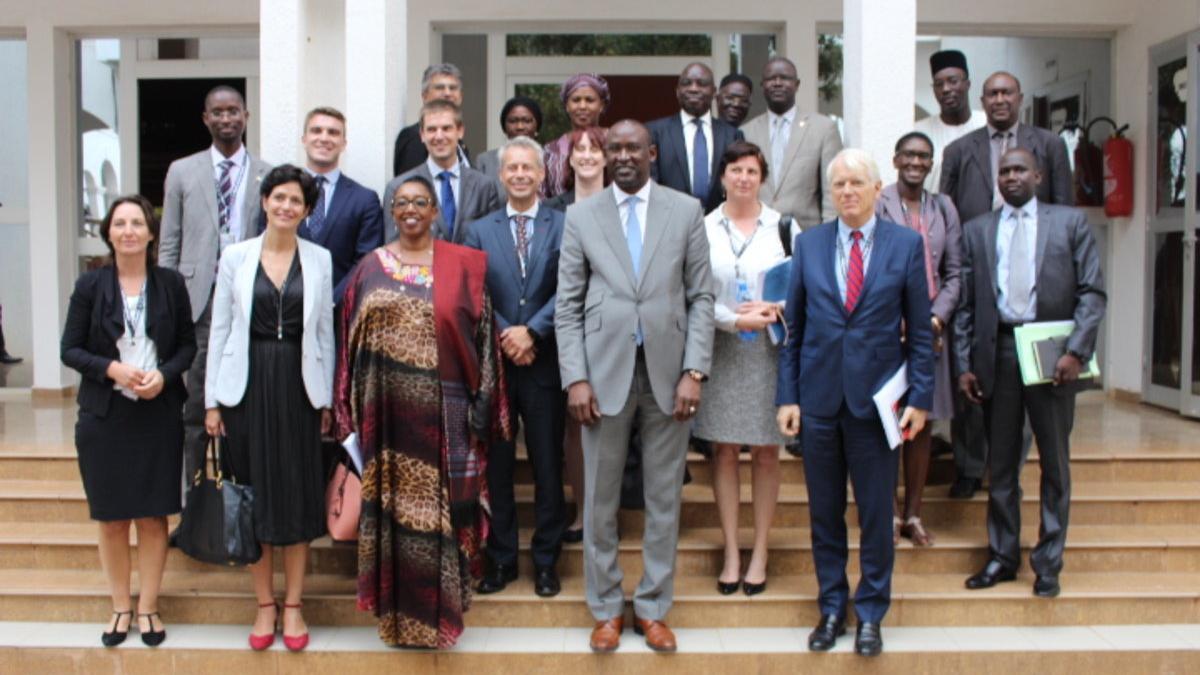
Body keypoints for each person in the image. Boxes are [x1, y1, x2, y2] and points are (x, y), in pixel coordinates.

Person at [556, 119, 714, 654]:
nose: (623, 156)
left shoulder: (685, 210)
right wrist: (576, 377)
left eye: (633, 148)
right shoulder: (581, 216)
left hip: (670, 375)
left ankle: (652, 607)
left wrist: (694, 371)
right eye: (614, 148)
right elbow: (567, 305)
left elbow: (701, 297)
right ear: (605, 155)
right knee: (599, 501)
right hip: (602, 376)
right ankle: (605, 609)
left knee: (663, 498)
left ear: (652, 153)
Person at [334, 175, 507, 649]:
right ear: (392, 212)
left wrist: (485, 404)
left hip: (446, 416)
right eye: (402, 202)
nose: (410, 209)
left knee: (442, 517)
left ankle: (441, 618)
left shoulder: (462, 265)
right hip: (386, 418)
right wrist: (345, 409)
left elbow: (485, 340)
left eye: (420, 202)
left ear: (434, 211)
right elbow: (348, 340)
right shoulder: (370, 267)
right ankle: (397, 620)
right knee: (395, 517)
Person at [776, 149, 935, 657]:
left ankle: (870, 614)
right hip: (819, 402)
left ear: (876, 188)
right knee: (824, 514)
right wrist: (788, 396)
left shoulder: (905, 245)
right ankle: (831, 608)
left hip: (877, 406)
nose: (847, 191)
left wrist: (921, 398)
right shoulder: (810, 245)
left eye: (856, 182)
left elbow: (921, 334)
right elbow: (794, 330)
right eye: (839, 184)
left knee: (875, 515)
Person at [957, 148, 1106, 599]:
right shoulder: (977, 230)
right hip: (1000, 351)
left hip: (1052, 353)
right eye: (1004, 171)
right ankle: (1002, 557)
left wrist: (1076, 352)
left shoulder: (1069, 223)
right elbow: (966, 304)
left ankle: (1048, 563)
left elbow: (1092, 292)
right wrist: (964, 364)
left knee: (1054, 463)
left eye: (1020, 169)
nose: (1011, 177)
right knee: (1001, 464)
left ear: (1038, 176)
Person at [204, 165, 335, 653]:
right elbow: (219, 330)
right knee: (252, 496)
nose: (285, 206)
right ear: (264, 202)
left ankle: (295, 604)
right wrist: (212, 401)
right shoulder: (236, 257)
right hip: (246, 388)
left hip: (300, 391)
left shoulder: (320, 259)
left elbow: (324, 333)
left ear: (306, 210)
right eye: (278, 197)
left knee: (297, 495)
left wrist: (325, 398)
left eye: (295, 200)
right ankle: (264, 604)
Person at [61, 195, 196, 648]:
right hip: (105, 416)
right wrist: (111, 369)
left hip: (157, 414)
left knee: (154, 517)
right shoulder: (90, 285)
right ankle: (120, 604)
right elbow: (70, 349)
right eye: (120, 223)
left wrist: (165, 375)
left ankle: (149, 606)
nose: (129, 231)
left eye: (137, 222)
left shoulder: (170, 284)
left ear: (151, 233)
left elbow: (187, 345)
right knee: (113, 518)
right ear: (108, 233)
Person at [939, 71, 1073, 499]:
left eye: (1007, 93)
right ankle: (968, 468)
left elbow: (1065, 211)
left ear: (1020, 97)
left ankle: (1007, 472)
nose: (999, 99)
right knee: (973, 381)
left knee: (1033, 401)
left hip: (1035, 283)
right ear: (982, 100)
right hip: (979, 267)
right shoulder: (959, 150)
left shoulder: (1049, 145)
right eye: (992, 94)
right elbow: (945, 213)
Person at [464, 136, 566, 598]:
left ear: (542, 174)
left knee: (547, 465)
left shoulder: (563, 225)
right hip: (497, 366)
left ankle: (546, 561)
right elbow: (474, 291)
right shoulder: (478, 231)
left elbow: (571, 287)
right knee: (500, 468)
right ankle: (502, 559)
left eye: (529, 167)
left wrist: (534, 332)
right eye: (513, 168)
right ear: (501, 175)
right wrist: (508, 333)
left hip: (546, 364)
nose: (521, 174)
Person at [159, 85, 272, 496]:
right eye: (218, 112)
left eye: (234, 111)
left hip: (247, 301)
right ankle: (191, 504)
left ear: (246, 116)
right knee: (194, 408)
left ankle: (241, 503)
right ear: (206, 118)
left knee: (243, 405)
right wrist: (166, 303)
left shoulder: (266, 173)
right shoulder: (182, 171)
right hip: (197, 304)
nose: (227, 119)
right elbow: (169, 242)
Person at [693, 141, 790, 596]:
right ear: (722, 177)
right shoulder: (702, 227)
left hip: (768, 350)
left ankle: (761, 551)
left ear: (762, 177)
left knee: (767, 451)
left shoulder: (784, 226)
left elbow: (803, 287)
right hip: (721, 346)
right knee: (725, 450)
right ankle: (732, 551)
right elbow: (693, 292)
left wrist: (776, 307)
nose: (743, 178)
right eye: (735, 170)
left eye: (752, 171)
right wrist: (733, 319)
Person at [875, 132, 963, 546]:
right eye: (908, 155)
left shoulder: (943, 207)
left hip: (930, 333)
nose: (916, 162)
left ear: (931, 164)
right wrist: (896, 318)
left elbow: (955, 272)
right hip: (888, 330)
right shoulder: (878, 204)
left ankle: (914, 514)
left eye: (924, 156)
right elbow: (869, 265)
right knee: (887, 423)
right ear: (895, 159)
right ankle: (889, 513)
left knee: (921, 423)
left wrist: (934, 318)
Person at [543, 125, 608, 542]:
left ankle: (607, 512)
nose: (586, 155)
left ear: (606, 157)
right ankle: (583, 511)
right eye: (578, 149)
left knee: (611, 420)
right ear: (568, 159)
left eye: (594, 149)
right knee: (574, 424)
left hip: (612, 330)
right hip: (564, 326)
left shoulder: (621, 203)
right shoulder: (554, 209)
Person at [284, 106, 384, 302]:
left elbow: (365, 262)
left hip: (340, 309)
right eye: (316, 131)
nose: (324, 138)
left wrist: (331, 301)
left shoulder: (364, 200)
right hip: (287, 308)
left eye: (333, 132)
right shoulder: (280, 197)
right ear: (304, 139)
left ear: (343, 143)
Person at [741, 56, 843, 230]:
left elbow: (832, 189)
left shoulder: (823, 128)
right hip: (757, 233)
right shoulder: (746, 132)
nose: (777, 83)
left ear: (797, 84)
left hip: (807, 233)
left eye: (785, 78)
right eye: (771, 79)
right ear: (762, 85)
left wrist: (828, 235)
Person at [384, 100, 501, 245]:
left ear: (460, 131)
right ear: (422, 135)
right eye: (431, 129)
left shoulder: (484, 186)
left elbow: (492, 243)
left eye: (446, 128)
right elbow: (393, 245)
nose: (439, 136)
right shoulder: (398, 187)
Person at [648, 62, 745, 214]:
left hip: (720, 221)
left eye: (702, 84)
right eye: (686, 83)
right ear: (677, 91)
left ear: (714, 92)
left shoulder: (732, 135)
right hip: (670, 220)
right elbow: (650, 184)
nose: (693, 88)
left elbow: (738, 183)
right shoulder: (655, 132)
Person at [914, 50, 986, 193]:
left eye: (953, 81)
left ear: (967, 84)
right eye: (938, 84)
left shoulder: (987, 124)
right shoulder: (919, 132)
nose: (945, 89)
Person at [393, 63, 470, 176]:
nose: (447, 93)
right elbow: (412, 183)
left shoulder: (459, 143)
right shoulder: (414, 138)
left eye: (453, 88)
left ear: (461, 97)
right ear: (424, 96)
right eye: (440, 88)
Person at [543, 73, 610, 198]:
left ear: (601, 105)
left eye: (589, 100)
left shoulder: (615, 143)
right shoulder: (551, 151)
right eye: (576, 100)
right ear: (567, 106)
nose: (582, 106)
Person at [474, 95, 544, 197]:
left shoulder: (549, 159)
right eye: (513, 121)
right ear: (504, 128)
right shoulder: (486, 161)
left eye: (527, 121)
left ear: (537, 126)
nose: (520, 127)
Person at [544, 126, 608, 212]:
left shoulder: (619, 207)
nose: (587, 156)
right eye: (580, 149)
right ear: (571, 159)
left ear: (605, 159)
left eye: (594, 149)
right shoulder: (550, 208)